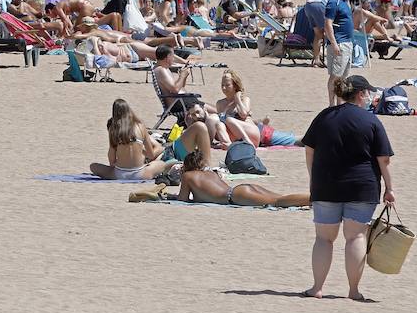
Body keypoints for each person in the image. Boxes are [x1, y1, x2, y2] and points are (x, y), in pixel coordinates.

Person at [300, 75, 394, 301]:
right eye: (368, 92)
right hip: (362, 187)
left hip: (326, 185)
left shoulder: (324, 116)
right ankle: (353, 291)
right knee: (356, 238)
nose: (370, 96)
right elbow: (383, 160)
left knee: (324, 239)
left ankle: (317, 288)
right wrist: (390, 188)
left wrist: (314, 180)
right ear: (361, 94)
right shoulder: (371, 121)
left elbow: (309, 150)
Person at [178, 151, 310, 207]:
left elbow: (182, 200)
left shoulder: (188, 176)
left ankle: (316, 198)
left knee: (277, 202)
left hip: (236, 196)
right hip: (239, 189)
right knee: (282, 197)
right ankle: (314, 198)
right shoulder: (211, 173)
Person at [89, 99, 171, 180]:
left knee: (93, 166)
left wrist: (116, 165)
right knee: (161, 164)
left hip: (119, 174)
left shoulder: (113, 129)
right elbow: (151, 155)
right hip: (140, 174)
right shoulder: (140, 126)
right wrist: (140, 151)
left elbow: (112, 158)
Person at [323, 0, 356, 106]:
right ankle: (331, 104)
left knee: (344, 76)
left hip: (347, 42)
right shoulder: (333, 2)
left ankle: (339, 103)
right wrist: (334, 43)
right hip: (339, 43)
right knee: (335, 76)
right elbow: (327, 24)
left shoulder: (344, 1)